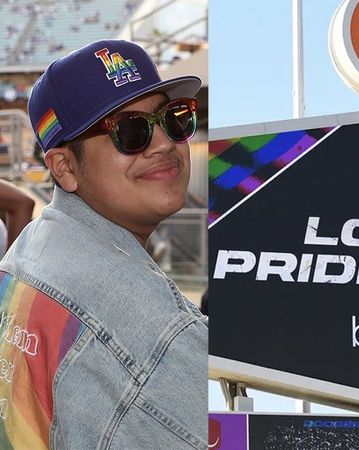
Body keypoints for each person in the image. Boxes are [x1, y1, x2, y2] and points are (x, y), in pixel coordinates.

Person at [0, 40, 207, 449]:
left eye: (174, 118)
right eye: (131, 131)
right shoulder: (157, 332)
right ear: (65, 168)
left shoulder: (26, 252)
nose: (165, 142)